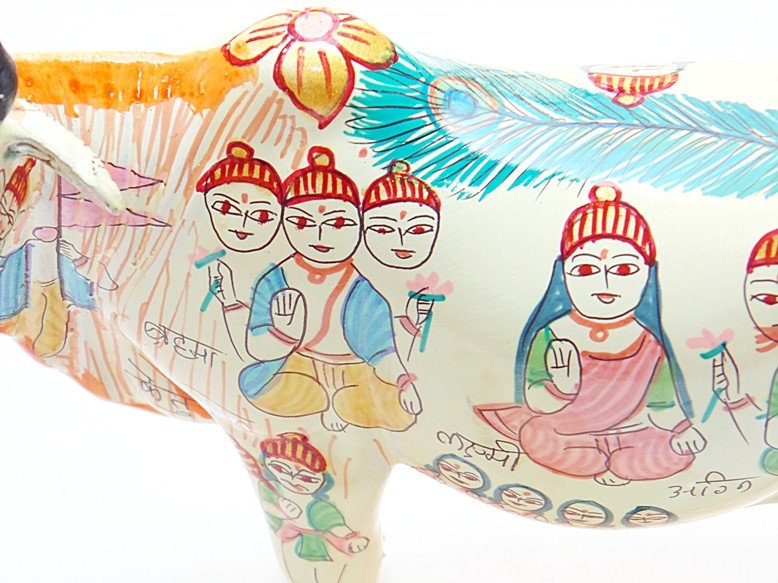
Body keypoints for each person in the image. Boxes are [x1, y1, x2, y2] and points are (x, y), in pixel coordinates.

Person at [476, 182, 705, 486]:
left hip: (631, 433)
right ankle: (601, 460)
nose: (605, 282)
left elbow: (661, 406)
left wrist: (681, 430)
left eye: (624, 270)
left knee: (671, 451)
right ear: (564, 275)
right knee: (538, 434)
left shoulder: (648, 343)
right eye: (586, 270)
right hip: (567, 430)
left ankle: (616, 460)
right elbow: (536, 400)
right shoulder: (552, 334)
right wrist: (562, 389)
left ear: (646, 276)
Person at [235, 146, 422, 431]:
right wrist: (283, 333)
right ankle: (328, 402)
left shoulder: (361, 290)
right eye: (302, 222)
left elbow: (382, 351)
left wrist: (403, 382)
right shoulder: (275, 279)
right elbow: (257, 347)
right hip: (296, 366)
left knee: (399, 411)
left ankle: (335, 402)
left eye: (337, 223)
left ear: (359, 225)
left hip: (354, 371)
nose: (320, 235)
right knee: (262, 389)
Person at [258, 432, 368, 580]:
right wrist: (280, 509)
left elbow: (335, 524)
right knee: (295, 574)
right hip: (288, 538)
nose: (293, 479)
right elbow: (267, 505)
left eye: (306, 478)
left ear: (323, 482)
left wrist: (350, 536)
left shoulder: (317, 506)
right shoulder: (271, 487)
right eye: (281, 469)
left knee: (326, 576)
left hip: (318, 544)